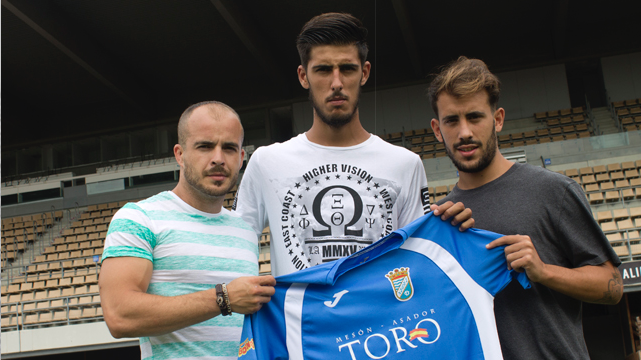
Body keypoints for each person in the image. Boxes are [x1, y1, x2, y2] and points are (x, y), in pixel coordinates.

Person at [234, 13, 472, 276]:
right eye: (323, 70)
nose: (336, 83)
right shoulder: (266, 162)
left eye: (347, 69)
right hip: (299, 317)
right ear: (303, 76)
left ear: (364, 72)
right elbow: (236, 251)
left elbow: (419, 260)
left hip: (381, 316)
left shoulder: (405, 164)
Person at [428, 56, 623, 359]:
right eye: (452, 120)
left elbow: (612, 286)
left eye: (475, 117)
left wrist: (544, 271)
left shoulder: (553, 191)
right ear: (437, 130)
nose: (464, 132)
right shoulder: (441, 221)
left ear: (498, 119)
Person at [99, 101, 276, 360]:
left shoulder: (245, 231)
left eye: (229, 148)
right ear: (179, 154)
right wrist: (223, 298)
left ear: (240, 159)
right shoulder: (139, 218)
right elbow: (119, 315)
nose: (218, 158)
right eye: (205, 146)